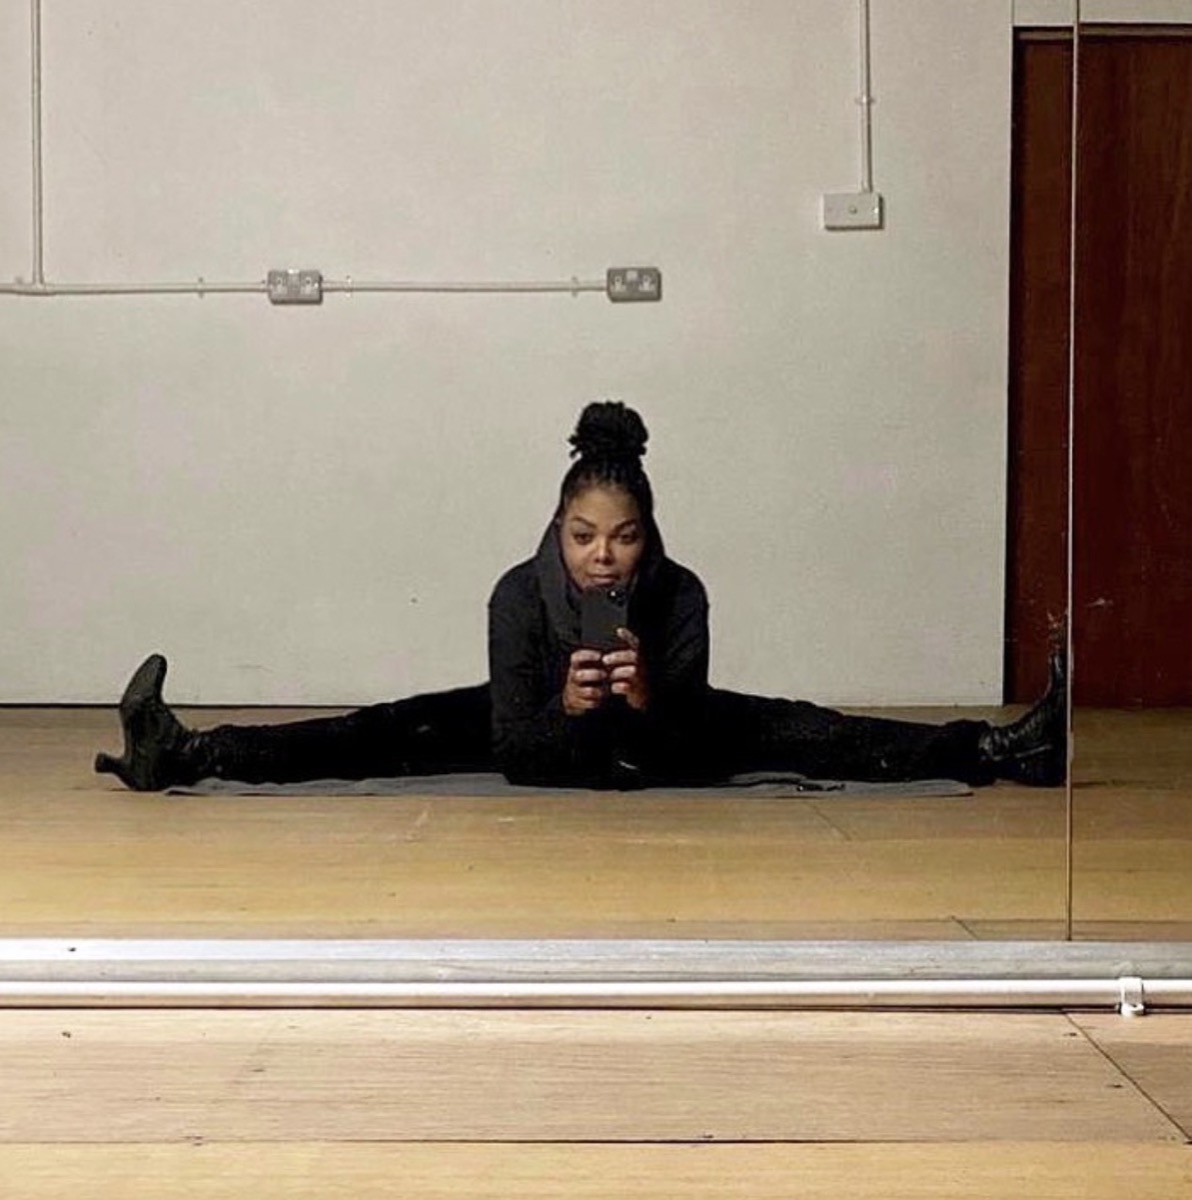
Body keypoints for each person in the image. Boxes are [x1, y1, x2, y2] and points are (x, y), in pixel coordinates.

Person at [95, 401, 1066, 792]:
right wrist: (564, 708)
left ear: (649, 537)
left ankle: (1001, 750)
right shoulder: (519, 596)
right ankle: (187, 753)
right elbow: (519, 758)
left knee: (807, 729)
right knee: (380, 731)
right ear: (558, 533)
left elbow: (677, 756)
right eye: (583, 537)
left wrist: (646, 701)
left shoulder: (679, 595)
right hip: (539, 722)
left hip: (663, 724)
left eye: (623, 537)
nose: (604, 558)